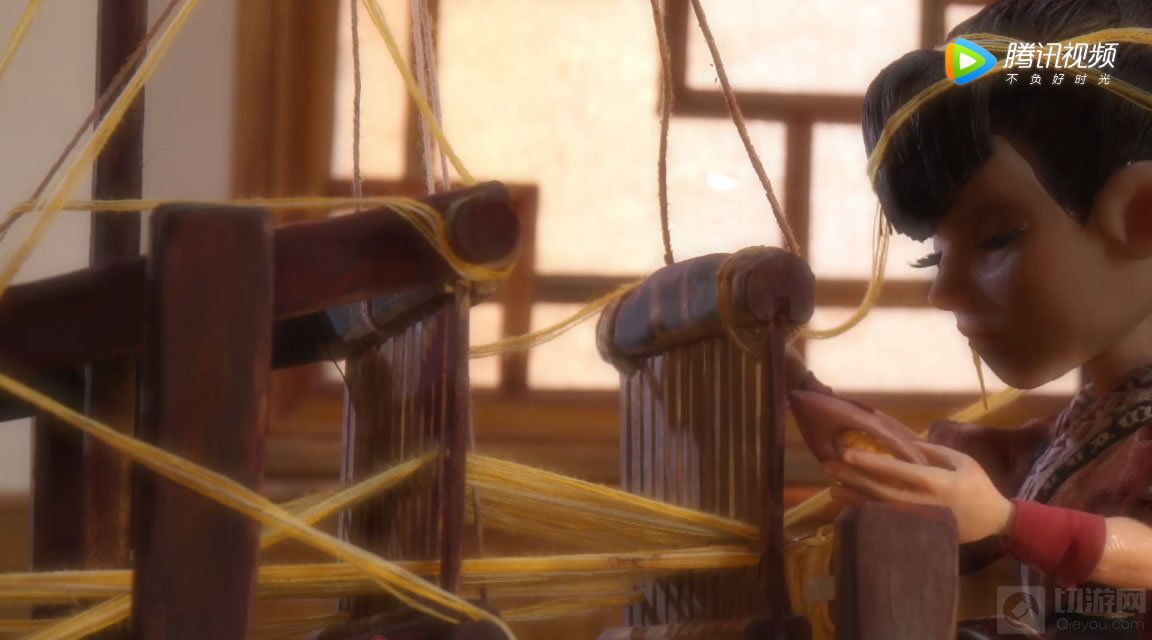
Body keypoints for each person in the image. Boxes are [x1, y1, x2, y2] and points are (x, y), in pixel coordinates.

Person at [786, 1, 1152, 638]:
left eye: (996, 238)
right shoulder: (1090, 421)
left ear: (1141, 214)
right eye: (935, 257)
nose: (944, 291)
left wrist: (1008, 521)